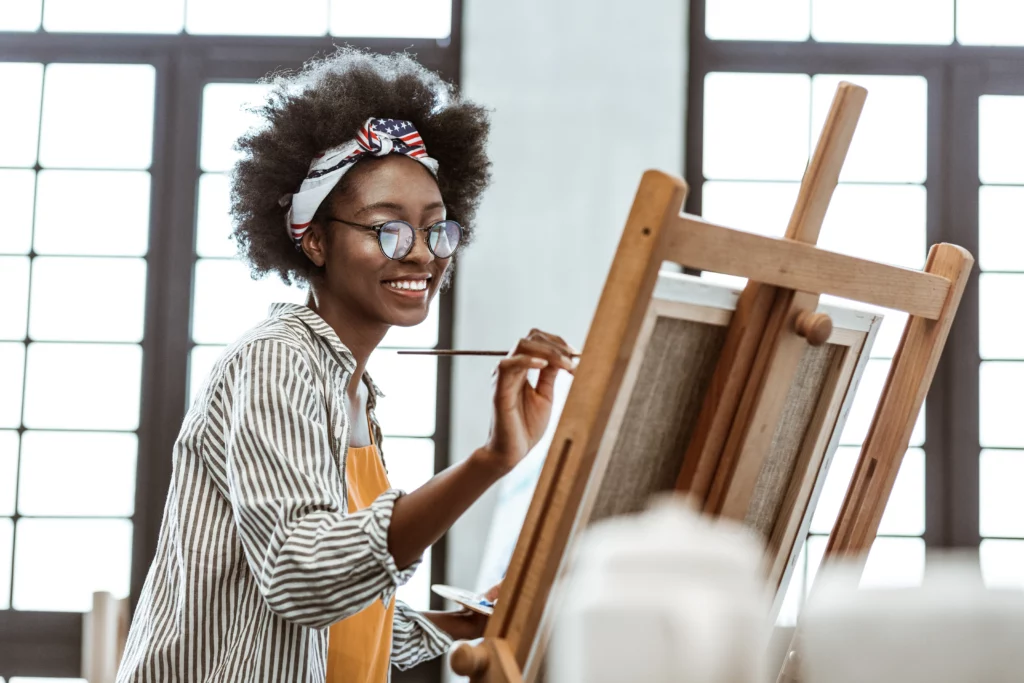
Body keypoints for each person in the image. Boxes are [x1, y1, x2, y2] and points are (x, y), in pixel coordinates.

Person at [117, 49, 575, 683]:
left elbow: (338, 620)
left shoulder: (353, 392)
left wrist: (463, 626)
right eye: (387, 229)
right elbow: (303, 580)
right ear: (314, 237)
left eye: (437, 230)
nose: (421, 255)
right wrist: (488, 461)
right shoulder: (277, 361)